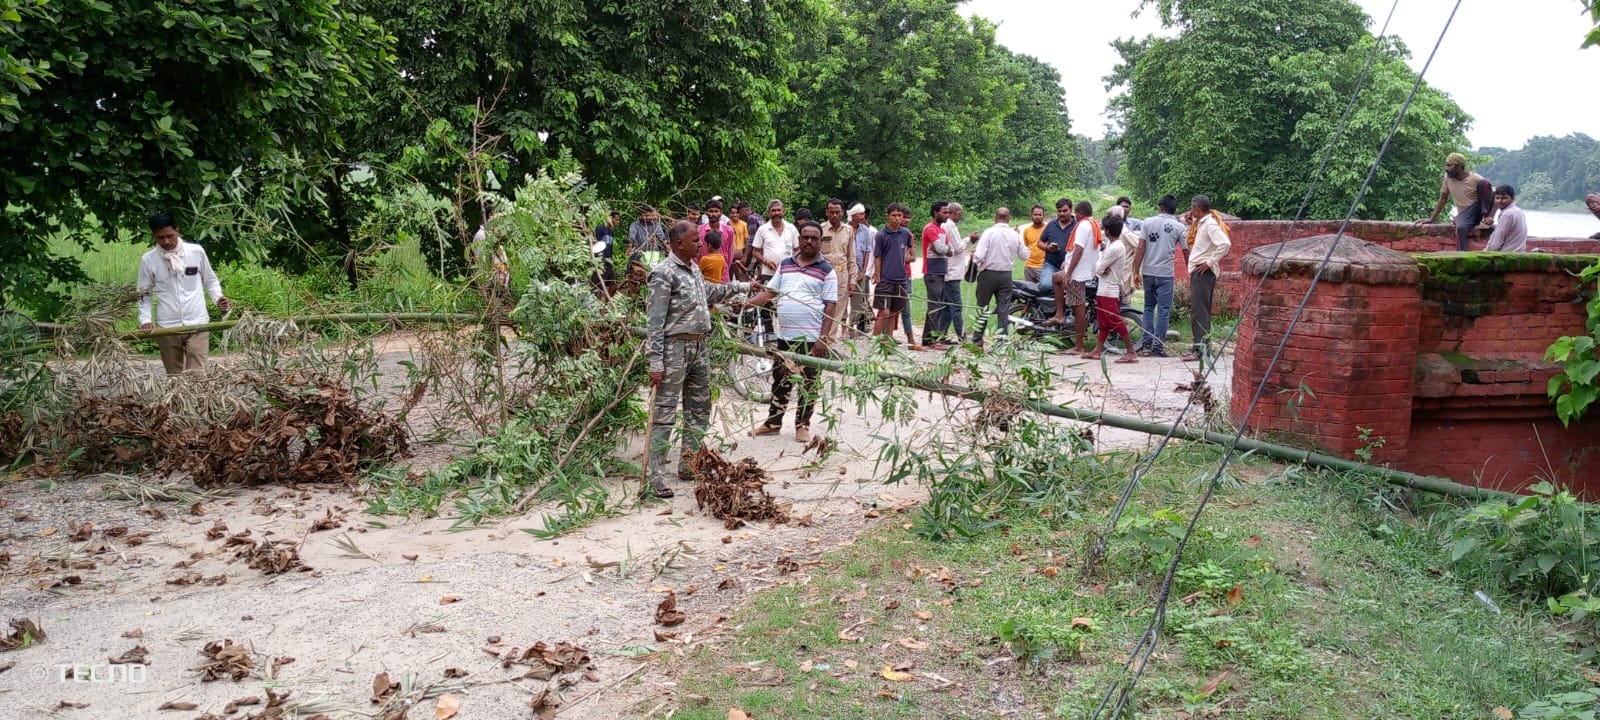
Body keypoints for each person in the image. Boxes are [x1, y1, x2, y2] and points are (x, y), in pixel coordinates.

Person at [644, 221, 758, 498]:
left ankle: (689, 462)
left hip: (699, 347)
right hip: (674, 349)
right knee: (665, 412)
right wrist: (655, 362)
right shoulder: (663, 274)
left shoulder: (694, 269)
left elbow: (710, 292)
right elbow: (654, 323)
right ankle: (655, 476)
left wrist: (743, 287)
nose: (700, 244)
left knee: (699, 407)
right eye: (695, 240)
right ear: (678, 243)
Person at [746, 222, 836, 444]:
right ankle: (773, 423)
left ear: (819, 242)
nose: (808, 241)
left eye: (814, 238)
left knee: (809, 383)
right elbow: (769, 292)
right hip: (785, 337)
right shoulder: (786, 265)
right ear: (799, 240)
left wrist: (823, 338)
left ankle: (802, 425)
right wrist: (747, 304)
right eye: (805, 237)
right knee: (781, 380)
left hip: (811, 339)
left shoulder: (827, 270)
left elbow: (831, 306)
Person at [136, 212, 231, 376]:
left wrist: (218, 298)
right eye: (160, 238)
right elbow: (143, 293)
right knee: (175, 376)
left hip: (198, 323)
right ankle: (178, 403)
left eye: (170, 236)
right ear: (153, 237)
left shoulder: (196, 252)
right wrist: (145, 319)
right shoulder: (148, 260)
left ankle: (198, 402)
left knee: (197, 375)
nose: (166, 241)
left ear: (177, 231)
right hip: (167, 326)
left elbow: (210, 281)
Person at [1131, 195, 1184, 357]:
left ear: (1161, 207)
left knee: (1148, 308)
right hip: (1165, 274)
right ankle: (1158, 347)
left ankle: (1146, 345)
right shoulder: (1179, 227)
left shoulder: (1148, 222)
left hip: (1148, 272)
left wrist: (1135, 271)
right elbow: (1186, 250)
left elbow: (1140, 248)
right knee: (1163, 311)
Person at [1185, 194, 1232, 363]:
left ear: (1197, 208)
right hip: (1199, 271)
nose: (1191, 210)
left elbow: (1225, 244)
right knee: (1201, 310)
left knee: (1199, 311)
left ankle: (1200, 349)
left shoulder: (1210, 224)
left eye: (1192, 207)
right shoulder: (1201, 224)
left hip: (1203, 272)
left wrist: (1210, 261)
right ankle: (1200, 347)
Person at [970, 207, 1027, 348]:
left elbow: (979, 256)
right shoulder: (1015, 235)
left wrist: (973, 257)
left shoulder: (989, 232)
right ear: (1009, 219)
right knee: (1004, 308)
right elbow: (1024, 255)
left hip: (988, 274)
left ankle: (977, 339)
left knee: (982, 307)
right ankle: (1001, 341)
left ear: (995, 218)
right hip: (1006, 275)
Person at [1417, 152, 1494, 251]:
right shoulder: (1448, 178)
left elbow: (1492, 196)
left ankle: (1485, 217)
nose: (1446, 168)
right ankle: (1462, 254)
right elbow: (1443, 198)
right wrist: (1432, 218)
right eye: (1446, 165)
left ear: (1459, 166)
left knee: (1484, 183)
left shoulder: (1475, 179)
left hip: (1477, 211)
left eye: (1449, 165)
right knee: (1461, 228)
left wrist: (1490, 215)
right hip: (1464, 215)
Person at [1088, 213, 1138, 364]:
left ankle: (1131, 351)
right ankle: (1097, 350)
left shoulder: (1115, 247)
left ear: (1108, 231)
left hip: (1109, 289)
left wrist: (1099, 266)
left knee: (1115, 320)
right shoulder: (1112, 245)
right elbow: (1100, 266)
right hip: (1104, 289)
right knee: (1103, 321)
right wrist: (1100, 266)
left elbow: (1098, 267)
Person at [1061, 201, 1103, 354]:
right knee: (1055, 278)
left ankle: (1078, 346)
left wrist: (1068, 273)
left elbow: (1078, 250)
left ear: (1079, 213)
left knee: (1079, 308)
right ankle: (1060, 313)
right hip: (1084, 271)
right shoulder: (1093, 224)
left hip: (1077, 274)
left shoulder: (1083, 225)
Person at [872, 203, 916, 342]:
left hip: (901, 279)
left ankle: (887, 341)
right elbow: (877, 257)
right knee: (884, 311)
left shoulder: (905, 234)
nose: (897, 218)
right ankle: (874, 341)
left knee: (893, 312)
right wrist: (878, 276)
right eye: (894, 215)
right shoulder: (881, 235)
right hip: (886, 279)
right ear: (888, 216)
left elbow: (910, 248)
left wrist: (905, 256)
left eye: (899, 216)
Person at [817, 198, 858, 337]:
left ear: (842, 213)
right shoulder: (820, 229)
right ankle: (821, 338)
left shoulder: (848, 230)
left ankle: (830, 341)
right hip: (824, 275)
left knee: (839, 308)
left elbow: (851, 257)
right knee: (823, 307)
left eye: (837, 212)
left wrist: (852, 281)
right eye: (831, 212)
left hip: (842, 275)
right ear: (826, 212)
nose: (834, 215)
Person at [940, 202, 974, 344]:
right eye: (959, 214)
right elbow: (957, 248)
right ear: (953, 213)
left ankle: (941, 335)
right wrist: (969, 239)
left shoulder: (950, 226)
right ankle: (962, 336)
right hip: (951, 271)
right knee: (956, 306)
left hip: (953, 271)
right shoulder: (948, 226)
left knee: (948, 306)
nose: (960, 216)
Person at [1039, 198, 1077, 325]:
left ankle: (1065, 314)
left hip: (1069, 267)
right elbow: (1040, 242)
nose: (1061, 214)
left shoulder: (1077, 226)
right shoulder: (1051, 225)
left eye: (1064, 211)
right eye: (1059, 211)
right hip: (1051, 264)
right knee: (1045, 285)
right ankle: (1049, 310)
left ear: (1070, 210)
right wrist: (1047, 247)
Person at [920, 201, 951, 347]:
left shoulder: (943, 231)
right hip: (932, 271)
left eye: (947, 212)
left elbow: (948, 249)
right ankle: (931, 339)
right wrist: (943, 248)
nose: (946, 215)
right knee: (935, 306)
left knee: (938, 304)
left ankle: (930, 338)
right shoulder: (930, 229)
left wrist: (943, 248)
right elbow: (941, 248)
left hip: (941, 270)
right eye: (944, 212)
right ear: (935, 212)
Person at [751, 199, 797, 282]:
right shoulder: (762, 229)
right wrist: (766, 262)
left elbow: (798, 249)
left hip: (788, 273)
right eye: (773, 210)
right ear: (769, 213)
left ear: (783, 211)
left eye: (779, 210)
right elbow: (755, 251)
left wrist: (792, 263)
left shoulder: (791, 228)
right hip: (768, 273)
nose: (776, 213)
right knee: (768, 294)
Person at [849, 203, 876, 333]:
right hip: (846, 269)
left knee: (859, 299)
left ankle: (853, 325)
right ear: (852, 215)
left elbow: (867, 251)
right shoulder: (845, 229)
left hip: (861, 269)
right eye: (860, 213)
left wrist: (863, 271)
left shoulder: (866, 231)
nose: (863, 216)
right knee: (843, 297)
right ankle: (844, 326)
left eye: (863, 213)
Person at [698, 199, 736, 281]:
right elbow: (696, 252)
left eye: (716, 211)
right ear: (706, 213)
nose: (714, 214)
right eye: (711, 211)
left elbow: (730, 251)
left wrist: (725, 269)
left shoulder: (729, 231)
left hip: (723, 274)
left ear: (721, 213)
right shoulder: (700, 230)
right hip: (704, 274)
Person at [1484, 185, 1528, 252]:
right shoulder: (1519, 211)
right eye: (1497, 198)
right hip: (1519, 253)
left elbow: (1497, 240)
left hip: (1507, 254)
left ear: (1512, 198)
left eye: (1504, 198)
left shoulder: (1507, 214)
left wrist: (1485, 253)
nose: (1500, 201)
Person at [1020, 205, 1047, 285]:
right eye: (1035, 214)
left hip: (1043, 266)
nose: (1037, 217)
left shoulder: (1048, 229)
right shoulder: (1027, 230)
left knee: (1043, 291)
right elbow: (1026, 246)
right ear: (1031, 216)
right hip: (1029, 266)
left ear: (1043, 216)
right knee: (1029, 292)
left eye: (1040, 215)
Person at [594, 210, 621, 284]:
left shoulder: (611, 232)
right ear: (610, 218)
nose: (618, 222)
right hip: (601, 262)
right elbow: (596, 245)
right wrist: (600, 260)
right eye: (616, 219)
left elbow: (610, 249)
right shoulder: (600, 228)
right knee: (599, 286)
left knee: (613, 286)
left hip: (609, 262)